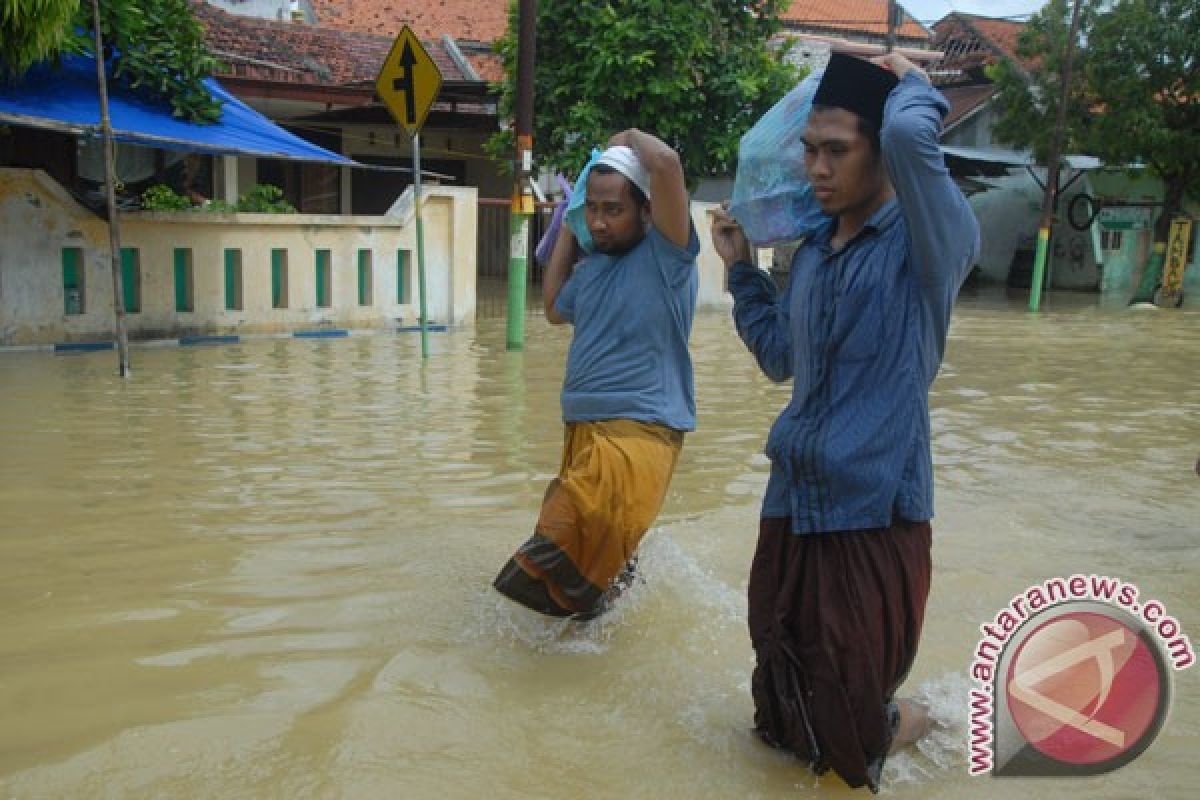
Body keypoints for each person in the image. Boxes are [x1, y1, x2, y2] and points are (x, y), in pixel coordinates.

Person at [710, 52, 980, 791]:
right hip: (792, 501)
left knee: (853, 738)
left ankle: (925, 718)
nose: (818, 168)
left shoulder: (928, 246)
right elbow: (779, 359)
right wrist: (741, 273)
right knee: (779, 713)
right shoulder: (815, 258)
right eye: (810, 150)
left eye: (838, 151)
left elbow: (917, 145)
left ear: (882, 151)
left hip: (874, 510)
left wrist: (915, 88)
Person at [493, 128, 699, 620]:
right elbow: (552, 308)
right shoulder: (591, 272)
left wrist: (627, 137)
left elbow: (666, 163)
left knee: (535, 573)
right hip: (583, 434)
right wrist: (568, 224)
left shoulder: (668, 257)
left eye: (614, 209)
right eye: (594, 209)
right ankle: (592, 665)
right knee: (589, 596)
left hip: (636, 433)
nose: (601, 223)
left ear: (646, 210)